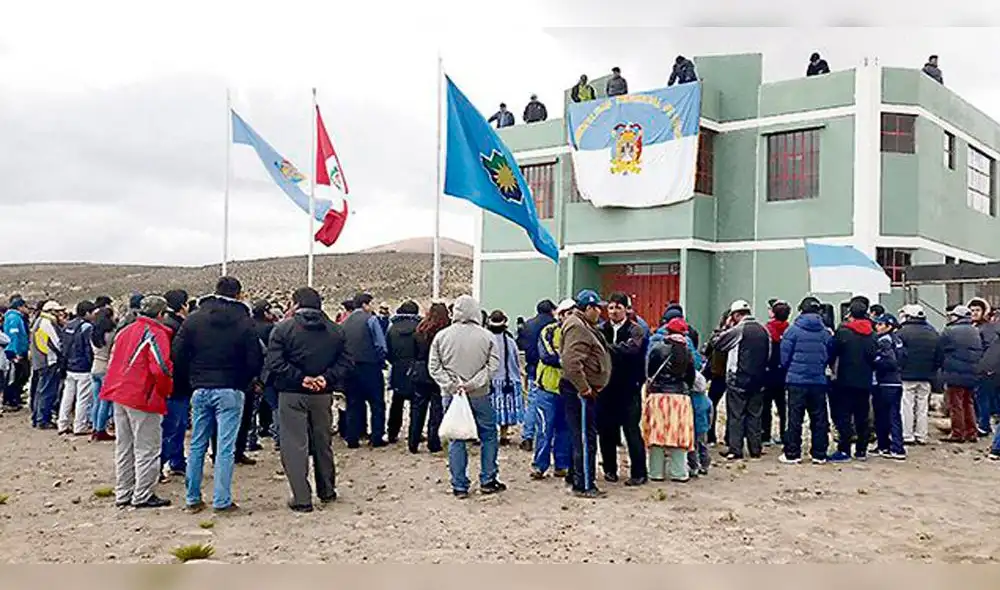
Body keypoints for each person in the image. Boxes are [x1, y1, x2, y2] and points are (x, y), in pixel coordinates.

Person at [174, 276, 263, 513]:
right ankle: (221, 500)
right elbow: (255, 358)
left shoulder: (194, 319)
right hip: (230, 388)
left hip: (201, 387)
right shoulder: (245, 321)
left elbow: (178, 353)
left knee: (197, 444)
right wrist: (243, 380)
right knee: (225, 447)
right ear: (238, 294)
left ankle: (192, 497)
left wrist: (192, 379)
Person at [264, 287, 352, 512]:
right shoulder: (336, 331)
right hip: (322, 395)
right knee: (323, 442)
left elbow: (274, 362)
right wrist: (325, 378)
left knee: (294, 445)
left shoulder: (283, 329)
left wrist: (301, 379)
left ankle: (302, 498)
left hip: (291, 394)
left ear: (295, 303)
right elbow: (346, 361)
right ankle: (327, 490)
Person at [100, 296, 174, 509]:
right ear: (161, 314)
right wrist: (165, 389)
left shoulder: (125, 331)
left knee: (124, 445)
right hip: (142, 394)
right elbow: (161, 367)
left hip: (119, 392)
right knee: (147, 447)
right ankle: (143, 494)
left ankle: (123, 491)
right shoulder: (156, 333)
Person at [429, 295, 503, 498]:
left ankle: (459, 485)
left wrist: (453, 385)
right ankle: (488, 479)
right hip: (479, 394)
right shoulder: (487, 336)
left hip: (451, 396)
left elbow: (434, 367)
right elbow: (493, 366)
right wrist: (473, 383)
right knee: (488, 435)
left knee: (456, 437)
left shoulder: (441, 336)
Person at [560, 290, 612, 498]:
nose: (600, 312)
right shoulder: (577, 327)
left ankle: (575, 476)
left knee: (582, 435)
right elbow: (572, 363)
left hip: (582, 390)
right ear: (588, 308)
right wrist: (585, 388)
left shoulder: (584, 326)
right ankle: (584, 484)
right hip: (579, 391)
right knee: (585, 437)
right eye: (597, 308)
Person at [597, 292, 647, 486]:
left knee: (632, 431)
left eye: (618, 307)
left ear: (626, 309)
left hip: (629, 389)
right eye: (611, 307)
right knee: (606, 432)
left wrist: (608, 348)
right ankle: (610, 470)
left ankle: (639, 473)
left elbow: (633, 350)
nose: (614, 311)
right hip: (606, 389)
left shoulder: (636, 330)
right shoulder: (602, 329)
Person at [711, 300, 770, 460]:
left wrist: (725, 327)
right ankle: (755, 449)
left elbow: (717, 343)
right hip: (758, 379)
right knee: (755, 415)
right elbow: (768, 355)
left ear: (736, 315)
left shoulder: (739, 330)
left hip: (739, 378)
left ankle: (735, 449)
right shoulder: (763, 330)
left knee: (736, 415)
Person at [778, 297, 833, 465]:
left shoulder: (792, 331)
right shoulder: (825, 332)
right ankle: (819, 453)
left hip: (796, 380)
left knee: (795, 417)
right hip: (818, 380)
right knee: (819, 418)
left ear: (801, 310)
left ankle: (793, 453)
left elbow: (784, 357)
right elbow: (829, 355)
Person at [643, 317, 696, 482]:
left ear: (667, 331)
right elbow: (690, 377)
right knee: (678, 435)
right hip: (679, 398)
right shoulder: (687, 352)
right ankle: (679, 472)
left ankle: (656, 472)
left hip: (658, 396)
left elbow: (650, 371)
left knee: (656, 435)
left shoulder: (657, 348)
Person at [530, 298, 575, 480]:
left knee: (564, 430)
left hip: (568, 389)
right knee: (544, 428)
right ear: (561, 315)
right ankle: (539, 466)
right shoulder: (548, 331)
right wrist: (568, 361)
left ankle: (561, 465)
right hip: (547, 389)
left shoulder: (577, 334)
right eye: (568, 313)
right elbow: (547, 355)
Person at [828, 298, 877, 462]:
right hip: (865, 379)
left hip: (844, 379)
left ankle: (844, 449)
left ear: (850, 314)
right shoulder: (872, 334)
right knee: (862, 416)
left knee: (843, 416)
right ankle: (861, 450)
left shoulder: (843, 332)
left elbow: (832, 352)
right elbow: (873, 356)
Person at [341, 292, 389, 448]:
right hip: (370, 366)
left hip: (350, 368)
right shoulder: (371, 320)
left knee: (353, 403)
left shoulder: (345, 322)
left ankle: (352, 438)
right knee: (377, 403)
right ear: (364, 304)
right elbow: (380, 345)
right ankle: (376, 437)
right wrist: (380, 361)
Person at [408, 302, 450, 454]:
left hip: (420, 371)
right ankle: (434, 442)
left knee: (418, 408)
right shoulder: (444, 332)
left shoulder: (420, 329)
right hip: (437, 371)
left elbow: (413, 352)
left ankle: (413, 441)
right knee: (436, 409)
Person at [940, 305, 984, 443]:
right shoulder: (975, 330)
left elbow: (940, 349)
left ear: (957, 316)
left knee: (955, 404)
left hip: (954, 373)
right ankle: (972, 432)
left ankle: (957, 433)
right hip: (972, 372)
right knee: (968, 402)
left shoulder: (949, 331)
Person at [897, 304, 940, 445]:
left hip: (907, 376)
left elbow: (899, 355)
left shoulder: (902, 332)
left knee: (907, 405)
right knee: (923, 407)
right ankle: (921, 435)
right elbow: (939, 355)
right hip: (927, 376)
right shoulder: (933, 331)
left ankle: (907, 434)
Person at [517, 300, 557, 452]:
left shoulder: (528, 325)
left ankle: (527, 436)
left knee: (532, 403)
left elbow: (521, 344)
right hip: (551, 369)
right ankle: (550, 439)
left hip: (533, 368)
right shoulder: (554, 326)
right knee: (553, 405)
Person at [159, 290, 190, 477]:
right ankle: (162, 463)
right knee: (173, 426)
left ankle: (177, 460)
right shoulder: (174, 328)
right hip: (176, 383)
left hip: (175, 383)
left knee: (177, 425)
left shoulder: (169, 325)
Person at [58, 300, 97, 435]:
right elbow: (88, 348)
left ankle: (62, 423)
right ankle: (79, 426)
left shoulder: (69, 325)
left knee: (67, 396)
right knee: (83, 398)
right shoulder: (87, 327)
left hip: (70, 366)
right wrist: (91, 363)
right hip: (83, 368)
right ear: (87, 313)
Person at [486, 310, 523, 446]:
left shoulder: (486, 339)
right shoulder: (510, 341)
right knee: (506, 409)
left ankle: (488, 434)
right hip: (508, 379)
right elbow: (515, 360)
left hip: (490, 379)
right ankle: (503, 434)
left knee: (489, 409)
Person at [872, 314, 906, 460]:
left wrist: (874, 361)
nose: (877, 327)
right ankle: (888, 445)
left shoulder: (884, 340)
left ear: (889, 326)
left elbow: (889, 361)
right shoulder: (897, 340)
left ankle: (892, 447)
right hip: (896, 381)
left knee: (885, 416)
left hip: (885, 382)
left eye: (880, 324)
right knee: (892, 415)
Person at [386, 301, 420, 444]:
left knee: (396, 402)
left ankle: (392, 432)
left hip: (398, 367)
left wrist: (395, 361)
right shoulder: (419, 328)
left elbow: (387, 350)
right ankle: (414, 433)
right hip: (414, 367)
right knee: (416, 403)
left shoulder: (392, 328)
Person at [31, 301, 66, 429]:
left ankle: (37, 417)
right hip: (48, 360)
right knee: (48, 391)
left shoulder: (39, 321)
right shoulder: (47, 323)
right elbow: (57, 342)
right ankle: (43, 419)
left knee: (40, 390)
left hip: (41, 360)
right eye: (58, 312)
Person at [762, 300, 792, 446]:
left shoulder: (767, 330)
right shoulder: (789, 330)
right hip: (784, 373)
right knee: (783, 407)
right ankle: (784, 434)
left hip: (768, 372)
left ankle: (765, 435)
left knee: (766, 405)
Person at [968, 298, 998, 436]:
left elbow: (989, 349)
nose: (974, 313)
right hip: (978, 367)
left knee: (982, 397)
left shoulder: (987, 329)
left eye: (977, 310)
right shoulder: (974, 327)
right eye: (972, 310)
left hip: (985, 369)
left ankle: (984, 425)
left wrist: (984, 366)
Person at [252, 299, 280, 448]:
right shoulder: (272, 329)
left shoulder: (249, 327)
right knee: (275, 406)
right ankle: (278, 437)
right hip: (269, 372)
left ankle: (251, 439)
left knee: (252, 408)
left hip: (251, 373)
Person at [702, 311, 730, 445]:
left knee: (713, 404)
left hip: (718, 373)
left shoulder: (718, 335)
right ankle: (718, 436)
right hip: (722, 374)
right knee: (718, 405)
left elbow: (707, 351)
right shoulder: (737, 335)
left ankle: (712, 435)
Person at [90, 306, 116, 441]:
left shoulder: (93, 333)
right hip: (106, 368)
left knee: (96, 401)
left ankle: (94, 428)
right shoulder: (111, 334)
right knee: (105, 402)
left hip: (95, 366)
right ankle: (101, 429)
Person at [3, 298, 30, 411]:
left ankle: (16, 398)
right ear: (20, 307)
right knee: (15, 376)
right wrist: (15, 353)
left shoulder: (17, 317)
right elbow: (13, 336)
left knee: (22, 374)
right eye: (25, 306)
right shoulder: (14, 318)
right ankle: (10, 400)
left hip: (20, 351)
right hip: (15, 352)